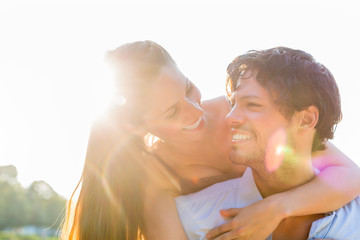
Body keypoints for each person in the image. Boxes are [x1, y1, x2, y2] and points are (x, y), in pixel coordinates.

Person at [61, 41, 360, 240]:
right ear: (139, 129)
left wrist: (275, 208)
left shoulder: (231, 113)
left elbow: (349, 175)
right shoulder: (154, 173)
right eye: (172, 112)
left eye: (188, 89)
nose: (196, 111)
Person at [204, 47, 360, 239]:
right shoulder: (195, 217)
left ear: (306, 119)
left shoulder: (353, 218)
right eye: (233, 103)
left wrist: (277, 207)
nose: (230, 117)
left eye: (252, 104)